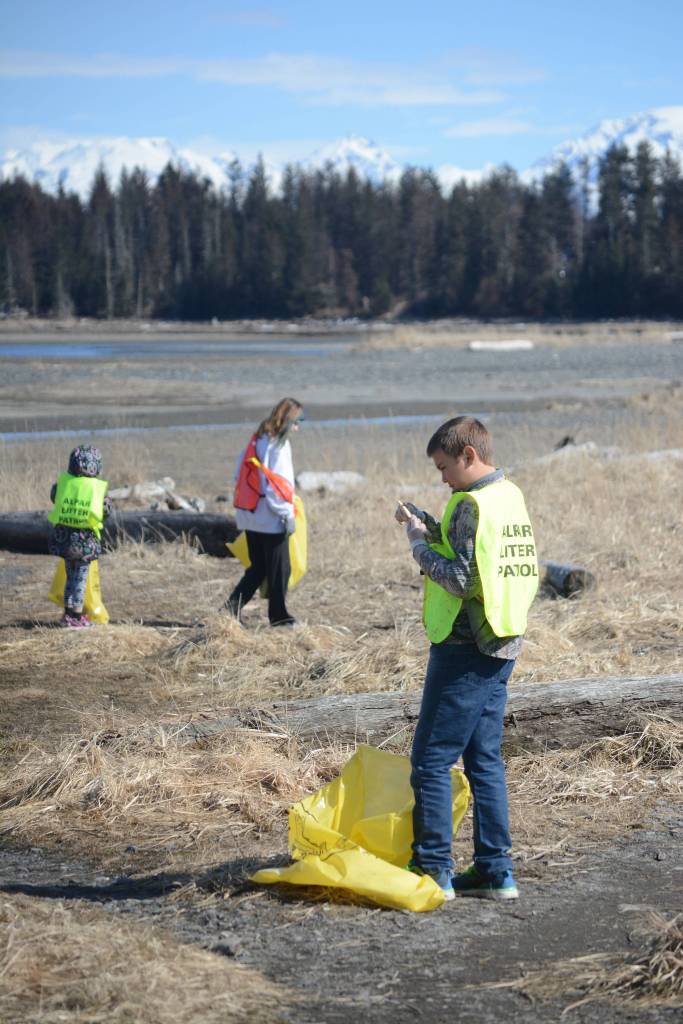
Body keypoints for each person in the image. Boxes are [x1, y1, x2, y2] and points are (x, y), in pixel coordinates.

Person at [395, 416, 538, 901]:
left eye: (444, 467)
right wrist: (431, 526)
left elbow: (461, 579)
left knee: (431, 760)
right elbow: (481, 555)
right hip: (503, 640)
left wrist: (417, 546)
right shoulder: (509, 496)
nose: (442, 479)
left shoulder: (470, 503)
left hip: (464, 648)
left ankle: (434, 868)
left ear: (468, 456)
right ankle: (496, 872)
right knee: (484, 761)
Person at [224, 397, 303, 627]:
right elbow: (276, 485)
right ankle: (279, 616)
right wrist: (286, 514)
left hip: (250, 514)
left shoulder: (257, 439)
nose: (300, 426)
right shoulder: (278, 445)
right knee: (280, 569)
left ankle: (230, 610)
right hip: (270, 518)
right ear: (288, 420)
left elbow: (238, 474)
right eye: (299, 420)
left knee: (258, 568)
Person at [48, 445, 111, 629]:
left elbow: (54, 498)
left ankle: (67, 614)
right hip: (85, 544)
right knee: (80, 579)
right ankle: (77, 616)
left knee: (69, 576)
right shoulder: (96, 489)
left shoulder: (62, 484)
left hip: (64, 541)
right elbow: (105, 511)